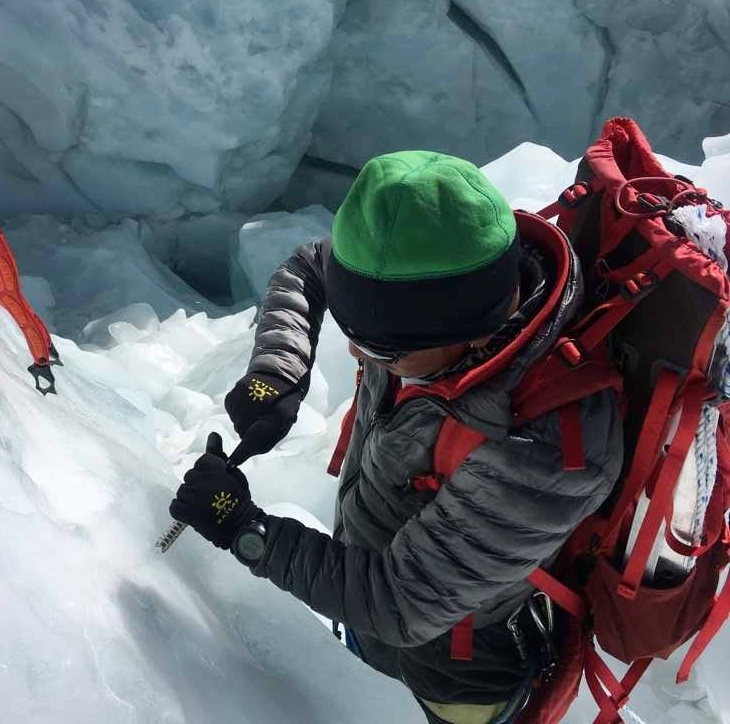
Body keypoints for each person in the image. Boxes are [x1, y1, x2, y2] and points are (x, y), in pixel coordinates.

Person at [168, 151, 624, 724]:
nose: (358, 354)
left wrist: (245, 528)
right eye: (353, 333)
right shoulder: (436, 263)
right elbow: (313, 266)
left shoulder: (547, 447)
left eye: (381, 351)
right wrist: (279, 369)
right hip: (371, 604)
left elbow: (399, 602)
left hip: (456, 671)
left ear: (474, 330)